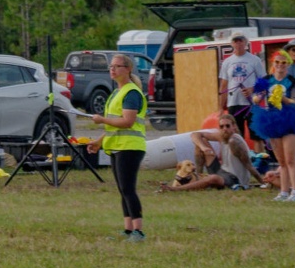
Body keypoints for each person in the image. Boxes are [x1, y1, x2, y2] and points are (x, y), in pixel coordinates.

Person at [86, 54, 147, 240]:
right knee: (122, 189)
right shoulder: (116, 93)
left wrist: (101, 119)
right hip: (117, 146)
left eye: (117, 66)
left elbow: (127, 122)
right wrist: (99, 141)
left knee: (128, 189)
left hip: (130, 147)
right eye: (111, 66)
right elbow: (114, 124)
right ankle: (128, 229)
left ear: (127, 69)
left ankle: (138, 230)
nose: (112, 69)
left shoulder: (131, 93)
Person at [252, 51, 295, 202]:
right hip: (271, 119)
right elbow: (255, 98)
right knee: (282, 161)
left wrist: (282, 98)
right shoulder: (266, 80)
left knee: (291, 159)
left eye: (283, 62)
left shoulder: (292, 80)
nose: (280, 65)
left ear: (288, 64)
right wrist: (260, 96)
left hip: (290, 118)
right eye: (277, 62)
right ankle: (284, 192)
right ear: (273, 64)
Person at [161, 113, 261, 192]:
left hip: (234, 178)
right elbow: (195, 135)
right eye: (221, 127)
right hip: (222, 171)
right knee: (201, 141)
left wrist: (262, 182)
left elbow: (249, 166)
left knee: (212, 178)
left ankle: (176, 189)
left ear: (234, 127)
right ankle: (198, 176)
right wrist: (203, 147)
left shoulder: (235, 142)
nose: (224, 129)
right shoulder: (222, 136)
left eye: (227, 126)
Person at [220, 34, 263, 140]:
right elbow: (224, 85)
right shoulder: (227, 62)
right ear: (232, 44)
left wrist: (252, 89)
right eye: (235, 41)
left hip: (250, 103)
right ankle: (240, 155)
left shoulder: (255, 60)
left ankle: (259, 156)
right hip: (233, 103)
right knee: (236, 136)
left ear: (245, 43)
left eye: (241, 41)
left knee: (256, 136)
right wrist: (221, 107)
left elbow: (263, 81)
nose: (238, 43)